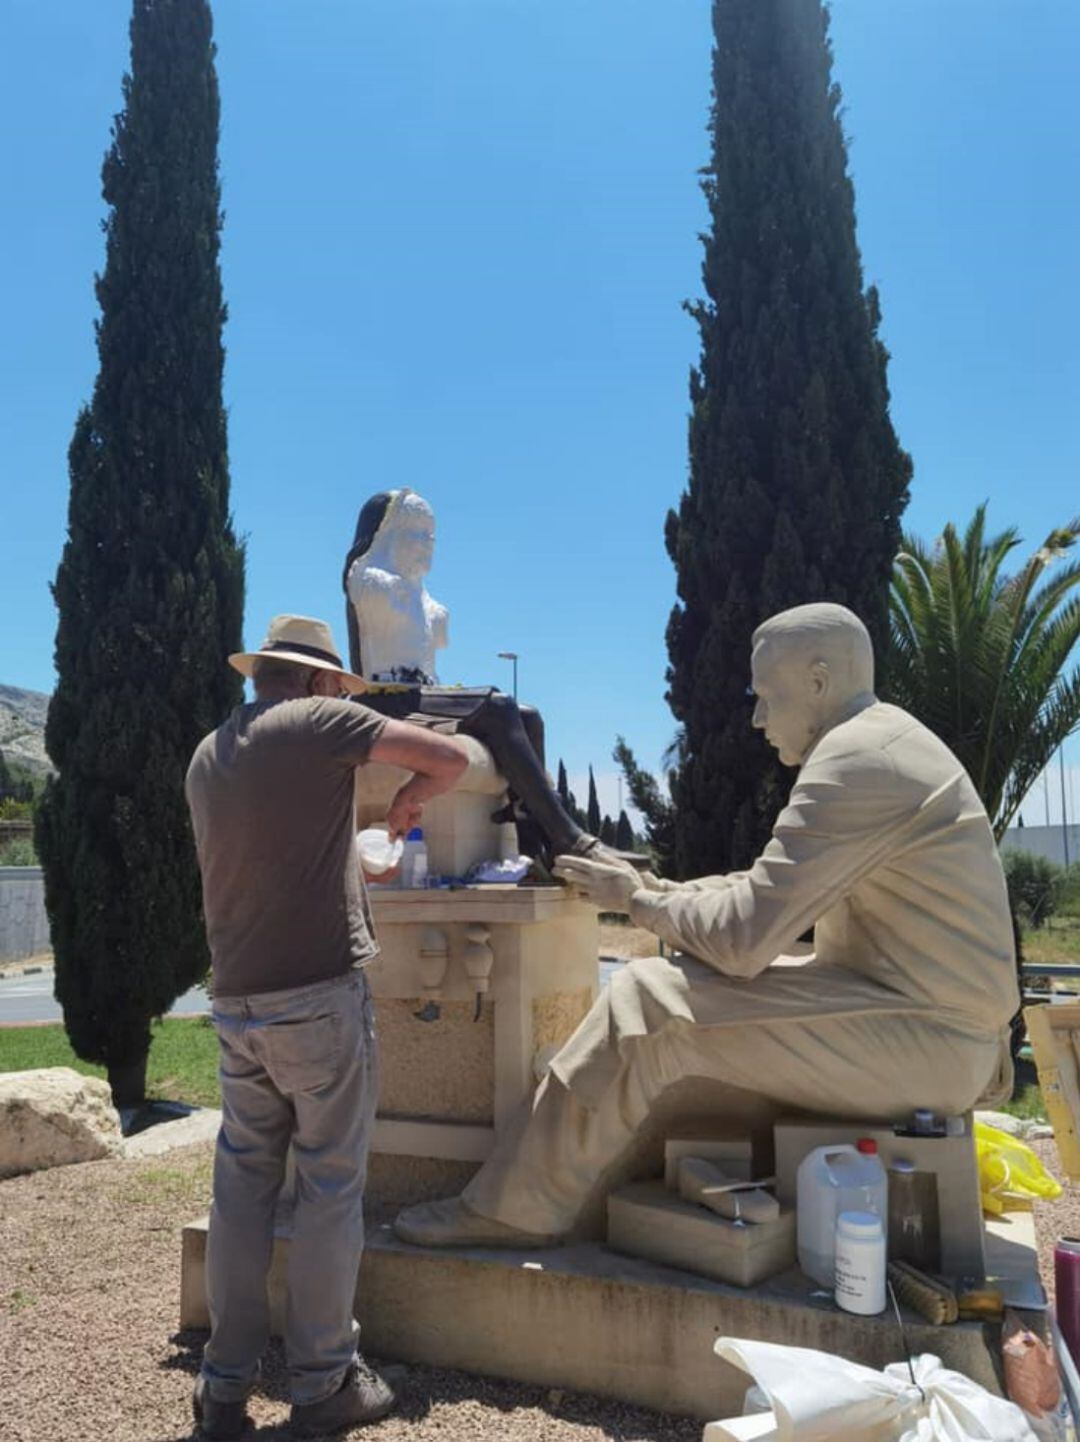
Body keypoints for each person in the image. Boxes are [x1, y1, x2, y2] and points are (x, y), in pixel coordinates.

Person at [394, 602, 1020, 1248]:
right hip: (920, 1017)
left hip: (928, 1036)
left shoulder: (859, 761)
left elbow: (743, 940)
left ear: (818, 681)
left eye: (765, 695)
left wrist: (635, 902)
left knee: (647, 1001)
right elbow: (761, 893)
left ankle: (513, 1210)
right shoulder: (882, 743)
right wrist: (651, 888)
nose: (755, 717)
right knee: (679, 991)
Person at [185, 614, 468, 1437]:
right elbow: (449, 759)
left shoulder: (210, 754)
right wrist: (413, 798)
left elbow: (274, 855)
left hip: (236, 1004)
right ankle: (321, 1383)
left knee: (240, 1194)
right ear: (315, 681)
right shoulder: (320, 722)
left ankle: (223, 1390)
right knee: (329, 1190)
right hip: (317, 1000)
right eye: (335, 685)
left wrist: (348, 845)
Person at [342, 488, 637, 868]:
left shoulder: (422, 596)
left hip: (419, 695)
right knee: (498, 707)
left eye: (430, 534)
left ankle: (536, 843)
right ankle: (570, 838)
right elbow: (386, 598)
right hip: (385, 698)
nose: (426, 544)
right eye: (415, 532)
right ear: (384, 533)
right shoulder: (367, 578)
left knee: (528, 717)